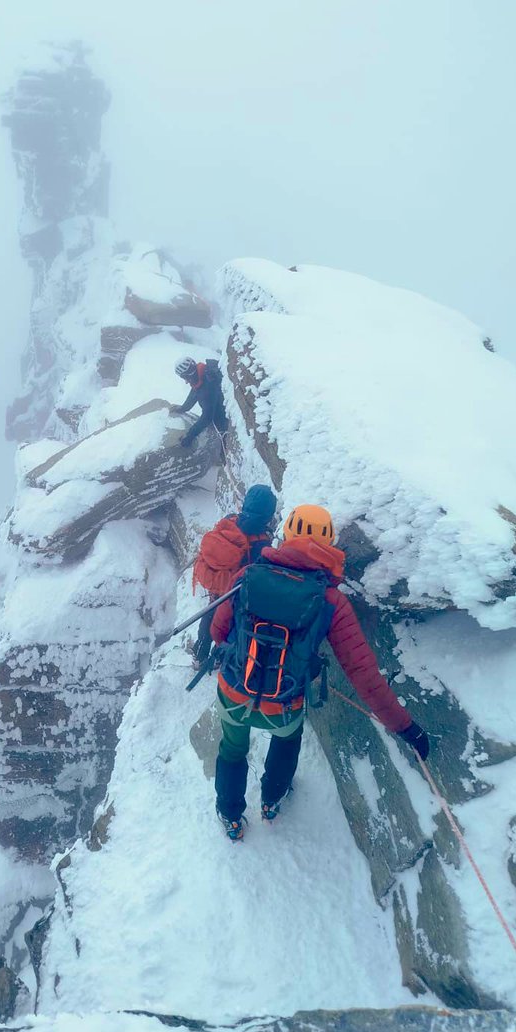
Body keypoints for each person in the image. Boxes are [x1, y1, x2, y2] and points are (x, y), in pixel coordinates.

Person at [208, 503, 430, 841]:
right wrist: (406, 728)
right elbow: (364, 675)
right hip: (282, 706)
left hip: (234, 691)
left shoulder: (247, 577)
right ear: (329, 546)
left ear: (286, 535)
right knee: (287, 742)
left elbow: (218, 632)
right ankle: (271, 801)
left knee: (232, 749)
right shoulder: (331, 601)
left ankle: (231, 817)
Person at [189, 484, 277, 665]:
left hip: (217, 584)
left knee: (209, 617)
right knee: (227, 624)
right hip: (234, 591)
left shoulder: (230, 521)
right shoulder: (262, 541)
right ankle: (220, 657)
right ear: (268, 513)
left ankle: (199, 654)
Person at [170, 356, 229, 448]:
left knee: (223, 448)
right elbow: (196, 390)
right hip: (222, 411)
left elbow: (207, 417)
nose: (186, 382)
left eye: (185, 378)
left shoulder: (208, 386)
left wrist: (190, 436)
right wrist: (183, 408)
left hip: (225, 421)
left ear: (189, 374)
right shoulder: (206, 373)